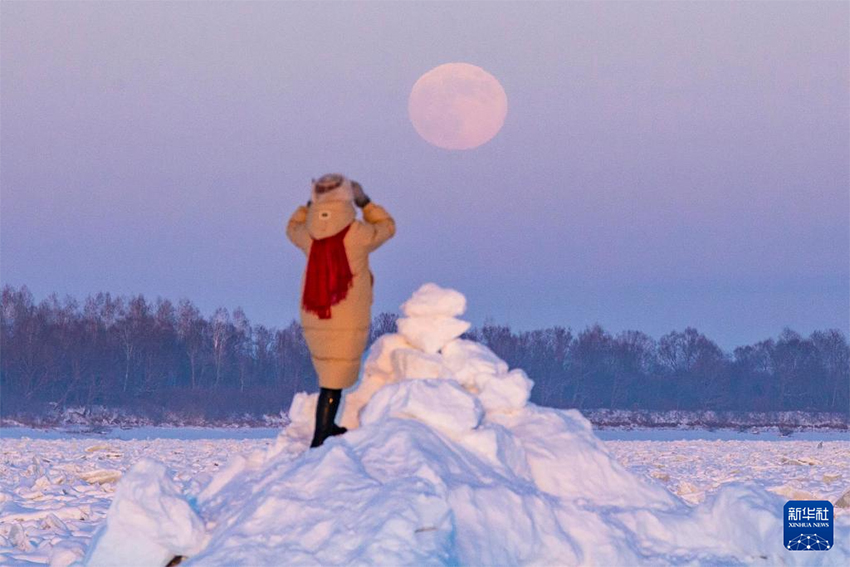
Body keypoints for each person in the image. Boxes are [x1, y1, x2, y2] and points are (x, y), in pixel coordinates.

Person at [286, 173, 395, 447]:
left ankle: (326, 427)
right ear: (346, 197)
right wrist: (365, 202)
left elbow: (291, 227)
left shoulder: (309, 235)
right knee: (334, 378)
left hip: (315, 312)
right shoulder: (357, 234)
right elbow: (387, 227)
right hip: (347, 312)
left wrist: (310, 207)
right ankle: (321, 434)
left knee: (330, 372)